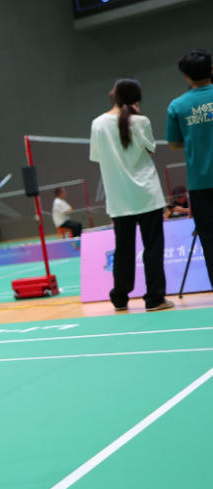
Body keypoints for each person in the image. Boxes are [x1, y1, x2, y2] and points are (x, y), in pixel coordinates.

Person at [90, 79, 173, 312]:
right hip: (147, 195)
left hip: (119, 198)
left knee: (123, 250)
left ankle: (120, 298)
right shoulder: (142, 121)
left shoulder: (97, 124)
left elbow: (97, 157)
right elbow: (150, 150)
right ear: (137, 99)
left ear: (115, 95)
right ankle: (155, 299)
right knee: (153, 248)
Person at [166, 49, 213, 287]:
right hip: (199, 185)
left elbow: (174, 144)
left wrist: (195, 137)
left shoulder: (177, 106)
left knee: (209, 240)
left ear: (185, 76)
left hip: (200, 185)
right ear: (211, 69)